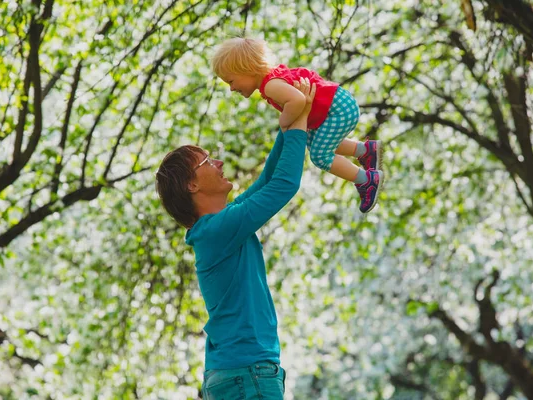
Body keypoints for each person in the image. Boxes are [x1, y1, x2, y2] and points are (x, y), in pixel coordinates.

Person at [155, 78, 316, 399]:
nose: (219, 163)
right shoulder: (217, 231)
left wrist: (292, 122)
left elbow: (268, 179)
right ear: (192, 186)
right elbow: (283, 185)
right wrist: (299, 120)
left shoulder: (217, 228)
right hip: (248, 374)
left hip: (241, 373)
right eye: (206, 162)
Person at [211, 37, 384, 213]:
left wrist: (284, 121)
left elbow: (298, 99)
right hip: (338, 105)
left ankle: (367, 180)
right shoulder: (273, 79)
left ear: (247, 69)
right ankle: (365, 150)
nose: (231, 89)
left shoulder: (270, 85)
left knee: (320, 156)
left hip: (337, 110)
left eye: (231, 81)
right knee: (314, 141)